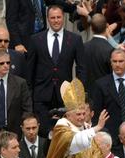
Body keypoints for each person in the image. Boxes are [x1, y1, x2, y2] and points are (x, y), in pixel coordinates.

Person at [27, 5, 86, 137]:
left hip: (65, 96)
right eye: (52, 18)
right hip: (41, 95)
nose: (56, 20)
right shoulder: (36, 39)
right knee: (44, 133)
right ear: (47, 19)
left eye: (58, 17)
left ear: (63, 18)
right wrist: (30, 95)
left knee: (65, 134)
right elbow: (29, 69)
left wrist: (78, 93)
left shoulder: (75, 39)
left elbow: (81, 68)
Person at [83, 14, 115, 89]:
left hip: (87, 92)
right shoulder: (110, 49)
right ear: (107, 26)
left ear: (91, 28)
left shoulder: (83, 47)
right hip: (104, 93)